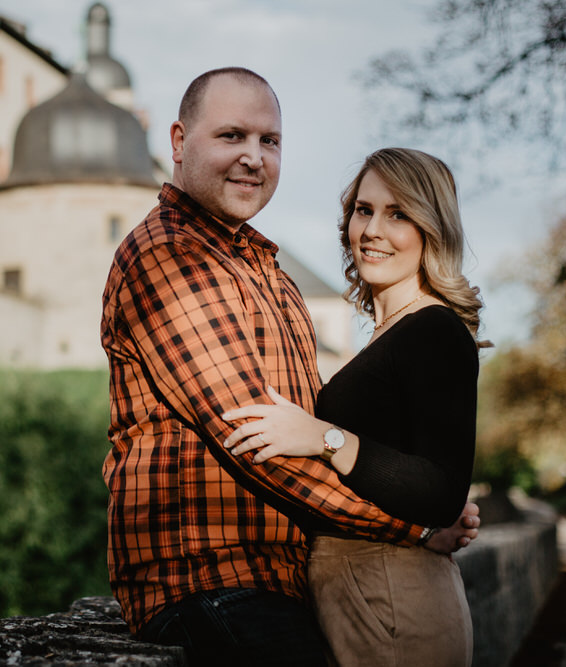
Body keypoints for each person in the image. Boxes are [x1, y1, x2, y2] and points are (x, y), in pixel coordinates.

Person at [100, 68, 479, 666]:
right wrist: (416, 528)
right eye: (231, 136)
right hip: (210, 578)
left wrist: (424, 492)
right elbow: (258, 443)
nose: (253, 157)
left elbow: (311, 431)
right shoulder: (169, 257)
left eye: (269, 141)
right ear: (177, 142)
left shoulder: (271, 276)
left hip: (288, 580)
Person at [222, 147, 485, 666]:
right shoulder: (388, 335)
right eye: (364, 210)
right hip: (363, 591)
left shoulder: (434, 329)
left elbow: (442, 489)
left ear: (432, 229)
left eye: (398, 214)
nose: (372, 230)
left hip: (395, 599)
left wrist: (325, 438)